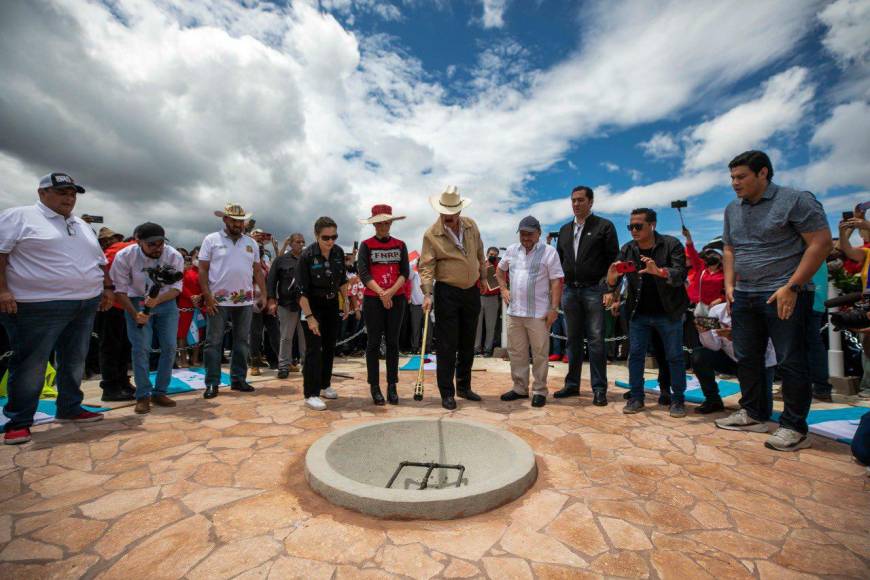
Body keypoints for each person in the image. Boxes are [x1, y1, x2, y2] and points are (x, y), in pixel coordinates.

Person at [716, 150, 832, 451]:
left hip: (785, 293)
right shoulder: (732, 209)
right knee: (747, 357)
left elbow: (821, 242)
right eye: (732, 177)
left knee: (791, 360)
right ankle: (753, 414)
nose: (734, 183)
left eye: (741, 177)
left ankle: (794, 427)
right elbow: (729, 249)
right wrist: (729, 285)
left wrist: (792, 286)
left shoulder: (796, 200)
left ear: (763, 173)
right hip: (745, 294)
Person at [0, 172, 113, 444]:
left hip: (84, 303)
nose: (69, 198)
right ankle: (19, 420)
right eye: (62, 192)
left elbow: (99, 261)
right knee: (31, 364)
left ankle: (70, 407)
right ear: (42, 193)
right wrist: (2, 290)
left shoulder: (81, 224)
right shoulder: (19, 216)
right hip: (37, 304)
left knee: (74, 359)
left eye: (73, 193)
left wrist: (106, 289)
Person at [605, 208, 690, 417]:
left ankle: (677, 399)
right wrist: (611, 280)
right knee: (635, 356)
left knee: (674, 356)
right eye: (630, 226)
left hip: (668, 312)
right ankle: (636, 397)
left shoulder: (671, 245)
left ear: (652, 225)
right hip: (638, 313)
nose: (633, 230)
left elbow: (680, 274)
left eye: (638, 226)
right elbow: (615, 278)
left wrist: (660, 272)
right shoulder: (628, 249)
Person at [419, 186, 487, 410]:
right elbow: (426, 267)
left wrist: (483, 277)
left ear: (459, 211)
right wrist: (428, 294)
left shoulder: (471, 225)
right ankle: (447, 393)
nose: (448, 219)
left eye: (452, 215)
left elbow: (480, 252)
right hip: (447, 291)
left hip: (471, 291)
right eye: (444, 215)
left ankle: (464, 387)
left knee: (468, 342)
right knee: (447, 345)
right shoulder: (431, 234)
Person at [554, 186, 618, 406]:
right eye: (573, 200)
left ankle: (599, 388)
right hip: (570, 291)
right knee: (571, 341)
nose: (576, 204)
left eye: (580, 200)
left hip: (594, 290)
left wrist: (610, 289)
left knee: (596, 341)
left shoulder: (604, 227)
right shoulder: (563, 230)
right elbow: (559, 262)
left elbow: (613, 262)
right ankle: (572, 385)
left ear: (590, 202)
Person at [110, 223, 183, 414]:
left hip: (165, 301)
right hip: (134, 300)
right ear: (138, 241)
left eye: (160, 243)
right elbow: (120, 290)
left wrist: (156, 300)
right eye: (151, 244)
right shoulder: (125, 256)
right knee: (141, 348)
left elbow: (176, 288)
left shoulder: (173, 255)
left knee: (169, 347)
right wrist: (136, 314)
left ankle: (160, 391)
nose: (157, 248)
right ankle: (143, 395)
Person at [199, 203, 267, 399]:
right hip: (217, 301)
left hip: (244, 300)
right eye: (234, 221)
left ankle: (238, 380)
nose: (238, 224)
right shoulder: (211, 240)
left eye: (241, 221)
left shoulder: (251, 243)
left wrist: (263, 293)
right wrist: (207, 297)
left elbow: (257, 271)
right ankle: (212, 383)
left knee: (241, 342)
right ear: (225, 220)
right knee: (213, 342)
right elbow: (202, 269)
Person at [497, 216, 564, 407]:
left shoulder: (549, 252)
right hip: (515, 312)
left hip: (539, 313)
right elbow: (499, 272)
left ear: (539, 233)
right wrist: (503, 289)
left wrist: (554, 308)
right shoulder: (511, 250)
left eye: (530, 234)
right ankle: (519, 388)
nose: (526, 237)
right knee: (517, 352)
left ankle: (539, 390)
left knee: (540, 353)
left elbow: (556, 281)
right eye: (523, 233)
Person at [357, 204, 410, 405]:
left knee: (393, 343)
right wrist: (381, 293)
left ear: (390, 222)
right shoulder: (366, 245)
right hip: (373, 299)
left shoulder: (400, 245)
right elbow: (364, 273)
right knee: (372, 343)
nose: (383, 226)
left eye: (386, 222)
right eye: (379, 222)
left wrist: (390, 292)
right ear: (374, 224)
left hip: (396, 298)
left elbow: (404, 272)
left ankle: (392, 385)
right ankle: (374, 385)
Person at [296, 217, 351, 410]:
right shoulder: (307, 256)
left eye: (334, 237)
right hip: (312, 306)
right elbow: (301, 292)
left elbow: (342, 280)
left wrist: (346, 303)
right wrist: (310, 318)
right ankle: (310, 393)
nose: (330, 241)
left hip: (331, 304)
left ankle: (325, 384)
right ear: (316, 236)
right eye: (325, 237)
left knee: (329, 347)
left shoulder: (337, 252)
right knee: (313, 349)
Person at [693, 302, 776, 414]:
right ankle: (713, 400)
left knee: (763, 411)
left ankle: (749, 404)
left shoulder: (759, 311)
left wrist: (736, 337)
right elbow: (714, 346)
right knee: (700, 355)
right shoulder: (717, 311)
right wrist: (705, 332)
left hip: (759, 362)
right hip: (731, 359)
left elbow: (764, 347)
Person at [98, 231, 136, 401]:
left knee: (112, 346)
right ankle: (117, 384)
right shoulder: (130, 249)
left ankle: (114, 384)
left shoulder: (111, 252)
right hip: (124, 304)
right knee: (120, 346)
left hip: (113, 304)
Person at [267, 232, 306, 379]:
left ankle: (306, 365)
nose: (301, 244)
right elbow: (271, 281)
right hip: (286, 304)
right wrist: (271, 300)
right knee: (286, 337)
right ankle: (284, 366)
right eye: (298, 242)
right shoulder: (281, 260)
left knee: (305, 337)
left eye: (303, 242)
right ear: (290, 243)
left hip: (305, 305)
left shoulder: (307, 259)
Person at [177, 247, 204, 368]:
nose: (198, 259)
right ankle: (183, 359)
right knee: (182, 333)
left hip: (199, 305)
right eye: (196, 257)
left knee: (198, 332)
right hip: (184, 305)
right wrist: (191, 296)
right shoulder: (183, 271)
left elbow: (208, 286)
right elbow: (179, 286)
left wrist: (200, 296)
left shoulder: (204, 271)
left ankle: (195, 359)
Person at [475, 247, 501, 356]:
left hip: (493, 299)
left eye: (495, 255)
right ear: (487, 254)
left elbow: (504, 281)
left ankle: (487, 349)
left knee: (491, 326)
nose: (492, 256)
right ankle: (476, 349)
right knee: (477, 325)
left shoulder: (500, 268)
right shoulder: (480, 266)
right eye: (491, 254)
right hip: (479, 297)